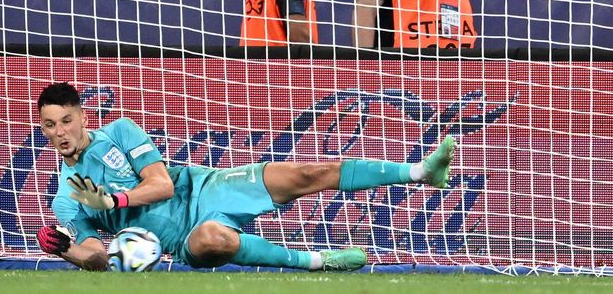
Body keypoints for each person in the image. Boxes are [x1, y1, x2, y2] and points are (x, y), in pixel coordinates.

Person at [35, 82, 457, 271]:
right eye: (50, 126)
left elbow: (161, 184)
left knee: (306, 172)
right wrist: (63, 249)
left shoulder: (122, 130)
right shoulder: (66, 199)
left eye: (66, 121)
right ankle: (316, 262)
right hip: (184, 239)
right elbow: (98, 258)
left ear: (83, 116)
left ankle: (421, 170)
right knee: (215, 240)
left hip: (202, 187)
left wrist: (114, 203)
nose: (60, 133)